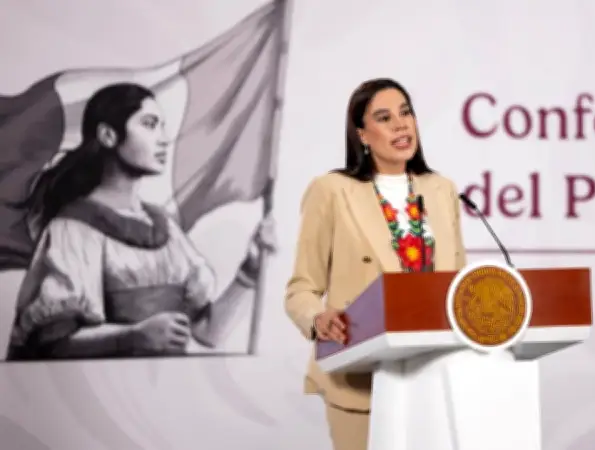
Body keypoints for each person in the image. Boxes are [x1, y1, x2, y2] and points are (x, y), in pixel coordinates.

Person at [5, 82, 263, 360]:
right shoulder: (73, 228)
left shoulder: (165, 228)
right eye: (149, 125)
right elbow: (52, 344)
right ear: (108, 135)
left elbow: (207, 332)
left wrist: (249, 272)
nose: (164, 139)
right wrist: (132, 336)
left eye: (162, 126)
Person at [284, 78, 468, 450]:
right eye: (384, 118)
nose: (401, 125)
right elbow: (301, 289)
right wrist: (317, 319)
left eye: (406, 113)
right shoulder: (331, 191)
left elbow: (458, 284)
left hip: (433, 376)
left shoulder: (441, 189)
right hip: (361, 377)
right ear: (362, 135)